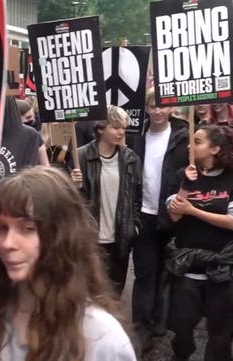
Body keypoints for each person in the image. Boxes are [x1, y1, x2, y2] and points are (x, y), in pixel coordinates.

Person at [0, 166, 136, 361]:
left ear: (60, 237)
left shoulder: (102, 339)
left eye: (27, 229)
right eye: (1, 228)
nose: (8, 243)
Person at [166, 125, 233, 361]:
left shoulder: (230, 179)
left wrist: (194, 211)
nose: (189, 146)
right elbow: (174, 215)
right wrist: (185, 185)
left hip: (222, 270)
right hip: (188, 270)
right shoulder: (181, 175)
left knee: (221, 333)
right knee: (181, 327)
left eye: (197, 141)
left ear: (215, 148)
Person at [129, 88, 189, 350]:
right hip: (143, 214)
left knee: (166, 273)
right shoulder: (136, 136)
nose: (157, 111)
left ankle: (159, 321)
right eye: (152, 106)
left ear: (171, 108)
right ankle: (141, 327)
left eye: (162, 106)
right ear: (146, 108)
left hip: (171, 214)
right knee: (144, 272)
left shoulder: (183, 137)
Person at [71, 106, 142, 295]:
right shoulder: (81, 157)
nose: (121, 132)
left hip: (120, 237)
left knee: (115, 291)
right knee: (91, 291)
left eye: (123, 128)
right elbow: (71, 200)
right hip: (91, 238)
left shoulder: (131, 158)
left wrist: (134, 226)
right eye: (115, 127)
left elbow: (136, 195)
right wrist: (73, 183)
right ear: (101, 128)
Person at [0, 97, 47, 179]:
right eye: (28, 118)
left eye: (33, 117)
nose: (33, 120)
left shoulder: (31, 135)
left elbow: (45, 166)